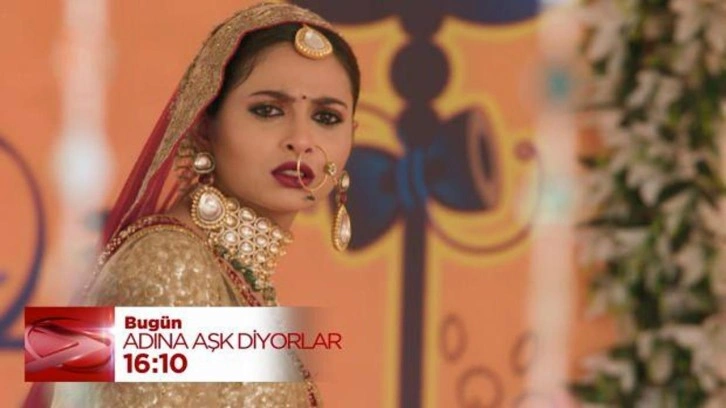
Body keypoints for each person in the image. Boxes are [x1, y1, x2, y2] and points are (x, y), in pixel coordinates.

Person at [25, 2, 359, 407]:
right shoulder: (168, 264)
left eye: (326, 117)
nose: (302, 140)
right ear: (203, 125)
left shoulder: (223, 273)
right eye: (268, 110)